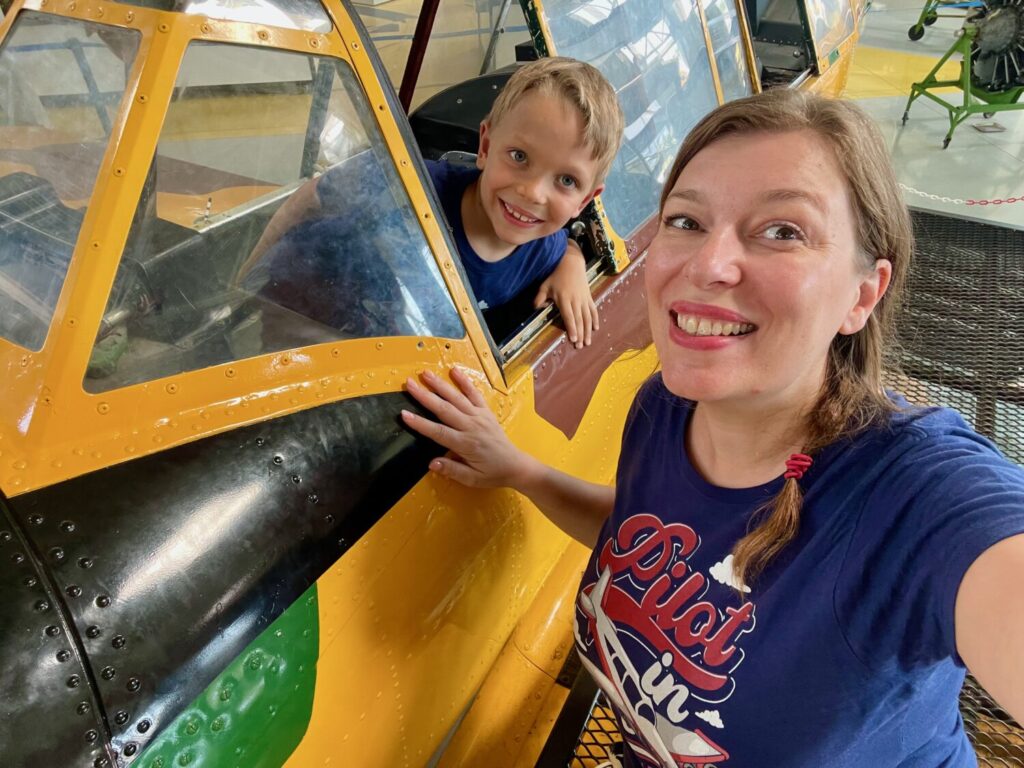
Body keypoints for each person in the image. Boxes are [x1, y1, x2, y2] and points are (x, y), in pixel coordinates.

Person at [399, 88, 1024, 767]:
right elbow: (659, 532)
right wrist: (519, 471)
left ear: (862, 294)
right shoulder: (663, 414)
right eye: (688, 221)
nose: (707, 265)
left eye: (782, 231)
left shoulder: (914, 497)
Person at [239, 56, 624, 350]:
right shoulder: (400, 184)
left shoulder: (545, 249)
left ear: (585, 201)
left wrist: (572, 262)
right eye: (520, 157)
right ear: (486, 146)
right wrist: (244, 278)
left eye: (566, 181)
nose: (534, 193)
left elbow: (565, 243)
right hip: (304, 303)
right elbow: (311, 196)